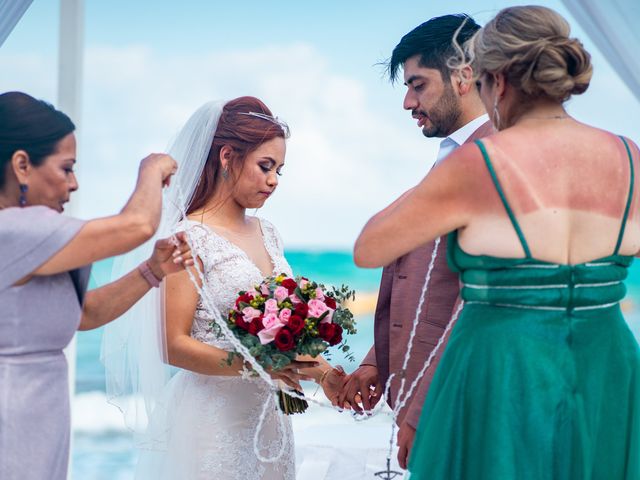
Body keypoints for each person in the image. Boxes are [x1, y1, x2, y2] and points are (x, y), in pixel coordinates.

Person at [354, 5, 640, 479]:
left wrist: (447, 175)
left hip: (502, 366)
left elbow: (370, 248)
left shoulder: (478, 162)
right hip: (608, 363)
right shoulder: (630, 156)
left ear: (497, 81)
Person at [104, 96, 346, 480]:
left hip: (269, 420)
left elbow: (283, 335)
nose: (273, 181)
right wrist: (257, 366)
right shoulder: (189, 237)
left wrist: (325, 373)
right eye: (265, 166)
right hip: (211, 422)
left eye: (280, 170)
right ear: (227, 157)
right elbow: (171, 344)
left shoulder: (269, 234)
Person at [0, 91, 193, 480]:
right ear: (22, 165)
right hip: (12, 405)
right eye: (66, 168)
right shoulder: (13, 229)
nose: (73, 184)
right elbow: (137, 225)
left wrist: (152, 271)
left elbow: (82, 314)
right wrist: (151, 169)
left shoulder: (29, 239)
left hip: (38, 402)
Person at [336, 14, 493, 469]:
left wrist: (423, 411)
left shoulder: (496, 158)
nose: (408, 102)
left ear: (463, 76)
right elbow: (427, 278)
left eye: (418, 84)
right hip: (427, 396)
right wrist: (377, 362)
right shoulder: (454, 156)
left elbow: (478, 303)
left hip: (460, 403)